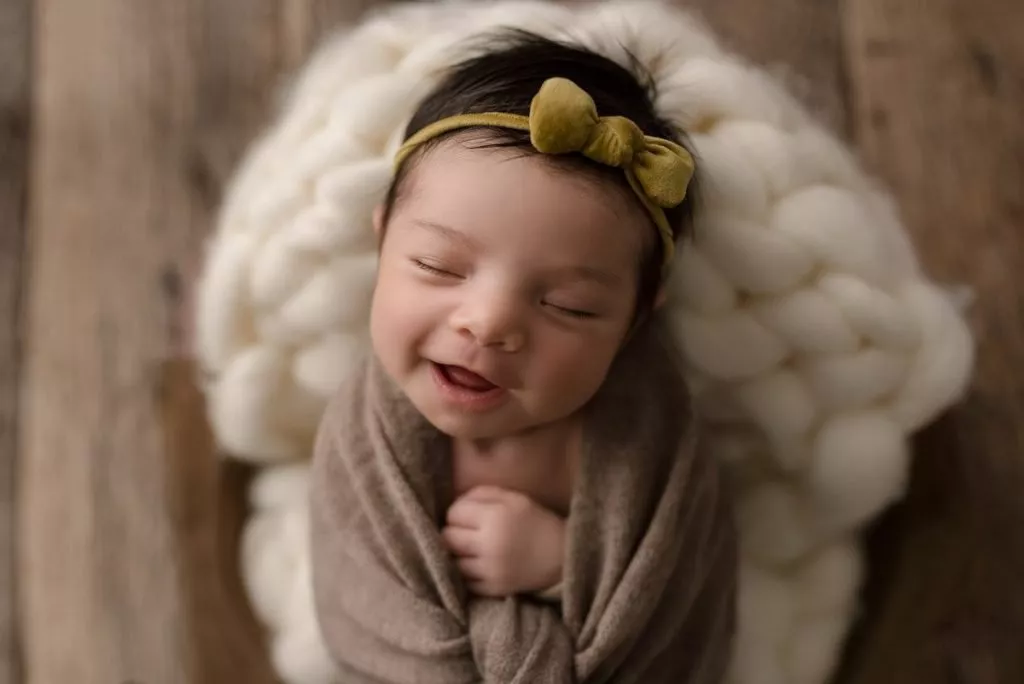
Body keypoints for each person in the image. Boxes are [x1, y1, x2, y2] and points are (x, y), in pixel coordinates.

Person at [310, 30, 737, 683]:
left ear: (634, 322)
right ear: (382, 240)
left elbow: (677, 587)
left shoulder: (646, 441)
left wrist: (564, 563)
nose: (488, 325)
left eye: (568, 305)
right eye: (438, 265)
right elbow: (354, 587)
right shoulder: (363, 440)